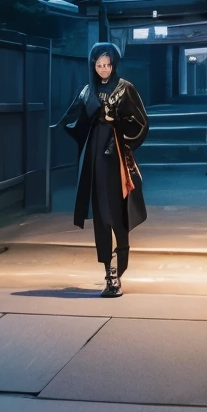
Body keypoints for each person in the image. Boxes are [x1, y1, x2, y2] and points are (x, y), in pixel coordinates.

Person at [59, 42, 149, 297]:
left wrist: (115, 120)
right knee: (99, 212)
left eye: (108, 65)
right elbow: (73, 121)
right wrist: (90, 118)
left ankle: (119, 269)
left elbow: (141, 122)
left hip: (116, 156)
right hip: (94, 156)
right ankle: (108, 271)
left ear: (114, 64)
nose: (104, 69)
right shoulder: (87, 90)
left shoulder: (125, 88)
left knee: (117, 211)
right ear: (93, 66)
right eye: (99, 65)